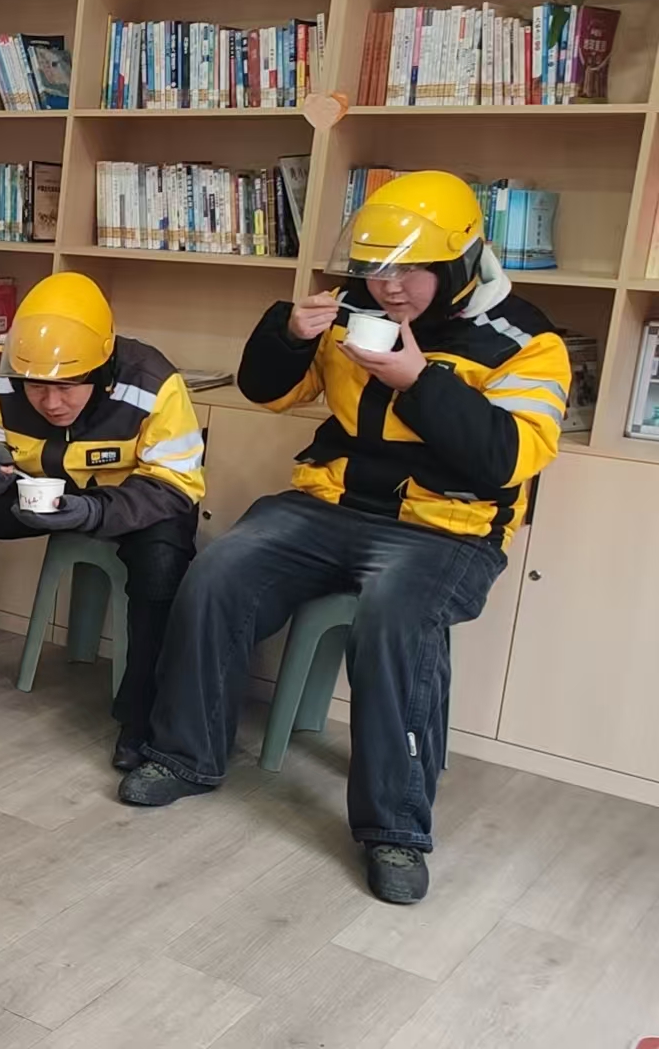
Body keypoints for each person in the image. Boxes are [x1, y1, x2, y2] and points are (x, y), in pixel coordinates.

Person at [118, 171, 571, 905]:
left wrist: (418, 380)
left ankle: (395, 830)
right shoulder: (353, 309)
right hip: (329, 507)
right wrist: (288, 335)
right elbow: (269, 392)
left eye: (409, 270)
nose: (388, 287)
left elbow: (506, 458)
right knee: (219, 571)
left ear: (459, 261)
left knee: (396, 620)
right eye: (375, 269)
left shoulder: (526, 341)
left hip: (446, 529)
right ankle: (183, 755)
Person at [0, 271, 206, 770]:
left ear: (102, 366)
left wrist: (97, 510)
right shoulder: (6, 372)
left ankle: (143, 717)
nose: (51, 403)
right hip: (40, 488)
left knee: (162, 561)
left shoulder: (153, 382)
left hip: (133, 501)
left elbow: (177, 485)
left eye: (68, 387)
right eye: (37, 388)